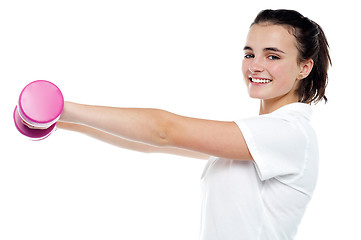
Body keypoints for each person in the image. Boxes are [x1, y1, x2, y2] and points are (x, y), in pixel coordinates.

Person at [57, 9, 331, 240]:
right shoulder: (255, 139)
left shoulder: (288, 132)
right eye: (249, 54)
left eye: (272, 56)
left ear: (304, 68)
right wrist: (62, 123)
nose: (255, 66)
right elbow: (152, 143)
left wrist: (64, 108)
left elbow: (164, 130)